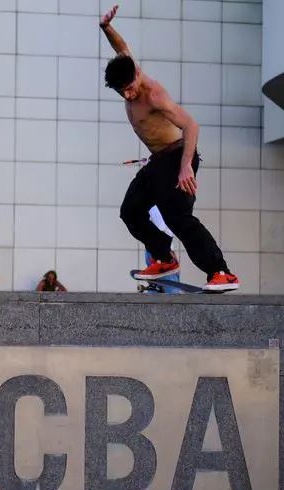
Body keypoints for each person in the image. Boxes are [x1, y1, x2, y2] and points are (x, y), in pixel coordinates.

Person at [100, 5, 239, 291]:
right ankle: (164, 257)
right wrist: (106, 28)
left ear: (137, 73)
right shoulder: (127, 67)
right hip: (158, 161)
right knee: (131, 211)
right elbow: (122, 47)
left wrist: (187, 166)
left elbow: (191, 125)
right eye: (122, 92)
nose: (129, 94)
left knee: (178, 217)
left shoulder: (153, 94)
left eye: (130, 88)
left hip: (178, 156)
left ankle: (221, 272)